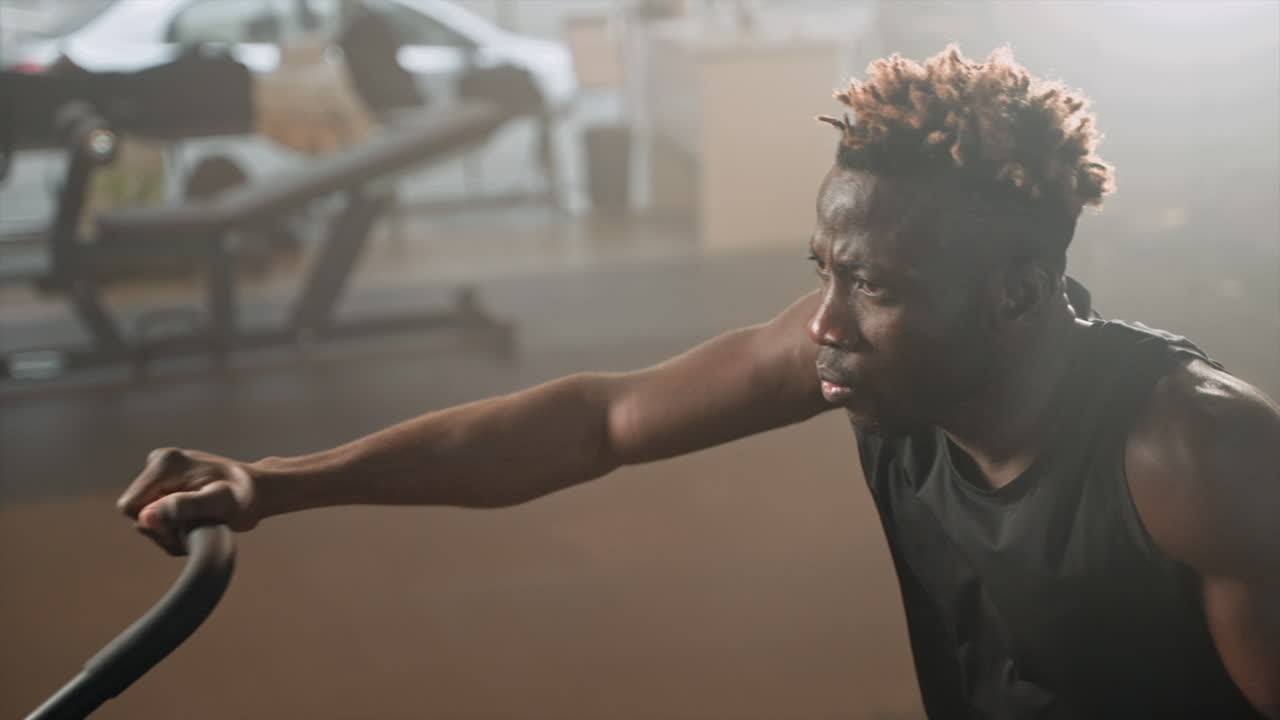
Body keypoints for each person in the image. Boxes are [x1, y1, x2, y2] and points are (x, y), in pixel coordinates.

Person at [117, 45, 1280, 719]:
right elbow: (599, 422)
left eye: (869, 285)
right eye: (820, 271)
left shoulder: (1189, 459)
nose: (823, 323)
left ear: (1015, 293)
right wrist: (272, 483)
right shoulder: (865, 357)